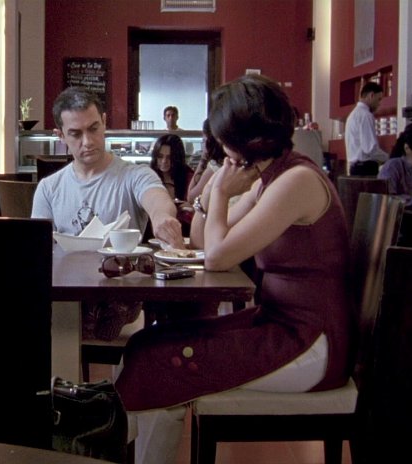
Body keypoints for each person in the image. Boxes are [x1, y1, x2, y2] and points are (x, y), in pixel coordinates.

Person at [116, 74, 353, 464]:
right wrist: (212, 192)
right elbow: (203, 240)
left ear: (242, 139)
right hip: (279, 326)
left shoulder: (296, 181)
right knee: (144, 344)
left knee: (157, 362)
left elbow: (217, 257)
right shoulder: (271, 177)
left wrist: (223, 191)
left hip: (310, 342)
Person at [32, 87, 183, 341]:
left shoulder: (134, 175)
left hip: (119, 289)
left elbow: (156, 198)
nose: (88, 142)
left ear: (104, 122)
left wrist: (162, 218)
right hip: (68, 292)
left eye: (93, 129)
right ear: (60, 136)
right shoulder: (49, 188)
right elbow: (39, 248)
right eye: (76, 134)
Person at [345, 82, 388, 176]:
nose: (379, 104)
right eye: (379, 99)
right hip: (365, 169)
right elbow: (370, 149)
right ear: (371, 95)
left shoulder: (352, 115)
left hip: (354, 168)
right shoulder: (366, 115)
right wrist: (389, 158)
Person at [186, 118, 225, 201]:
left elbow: (191, 197)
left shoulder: (215, 167)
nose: (202, 144)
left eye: (203, 140)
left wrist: (203, 159)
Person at [149, 134, 193, 202]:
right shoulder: (149, 176)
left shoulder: (189, 178)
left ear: (178, 158)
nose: (164, 161)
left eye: (169, 157)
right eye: (160, 156)